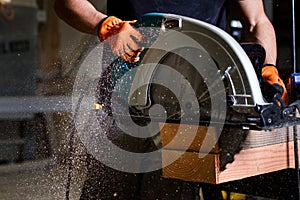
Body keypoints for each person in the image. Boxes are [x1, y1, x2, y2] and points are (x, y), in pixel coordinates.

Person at [54, 0, 288, 199]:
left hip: (201, 108)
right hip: (125, 99)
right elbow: (66, 3)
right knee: (112, 187)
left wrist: (267, 67)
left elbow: (257, 21)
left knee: (177, 188)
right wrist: (105, 25)